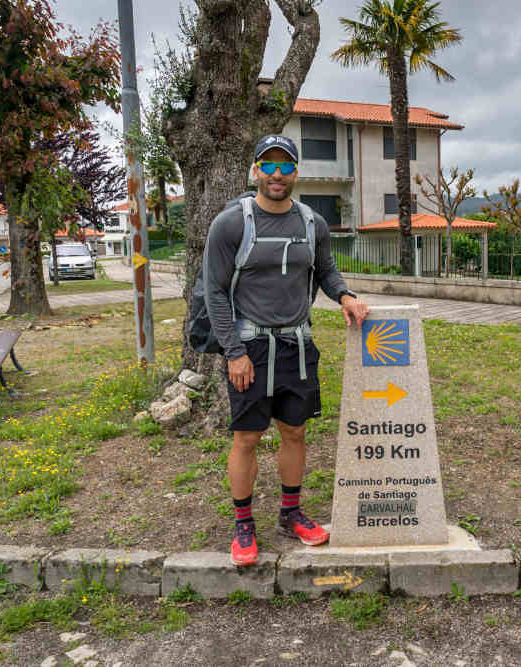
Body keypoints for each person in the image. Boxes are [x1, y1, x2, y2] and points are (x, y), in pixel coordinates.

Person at [202, 134, 369, 566]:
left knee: (295, 431)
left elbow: (327, 270)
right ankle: (244, 524)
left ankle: (290, 512)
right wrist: (233, 351)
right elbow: (215, 293)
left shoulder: (313, 223)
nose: (277, 174)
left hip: (298, 344)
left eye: (286, 165)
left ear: (297, 171)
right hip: (250, 347)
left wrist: (346, 296)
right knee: (247, 437)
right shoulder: (230, 224)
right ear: (256, 170)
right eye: (269, 165)